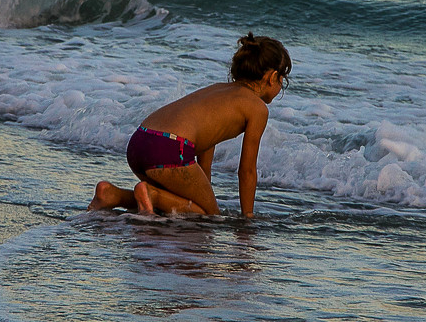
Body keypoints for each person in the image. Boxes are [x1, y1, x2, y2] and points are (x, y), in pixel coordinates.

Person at [87, 33, 291, 218]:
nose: (281, 85)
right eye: (283, 79)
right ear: (273, 77)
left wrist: (201, 192)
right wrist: (248, 217)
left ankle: (112, 195)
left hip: (140, 141)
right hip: (169, 149)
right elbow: (246, 170)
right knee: (208, 215)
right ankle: (150, 194)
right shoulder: (257, 108)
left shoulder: (217, 90)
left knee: (181, 204)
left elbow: (206, 146)